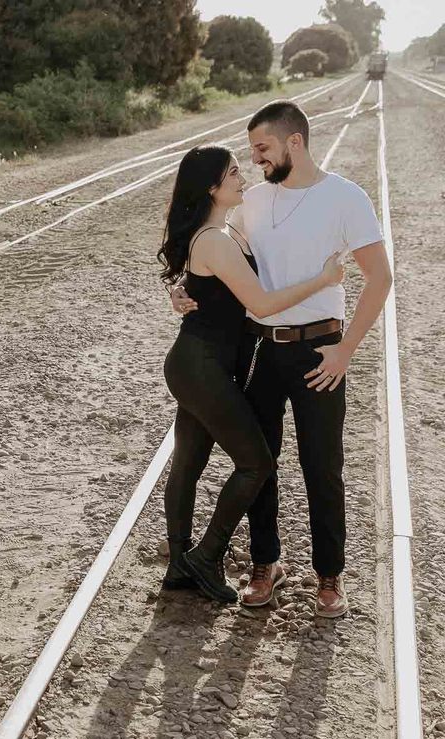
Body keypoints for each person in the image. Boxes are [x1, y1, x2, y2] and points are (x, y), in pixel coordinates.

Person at [172, 101, 392, 616]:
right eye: (250, 152)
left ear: (294, 142)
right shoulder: (253, 203)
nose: (255, 160)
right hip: (260, 349)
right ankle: (264, 565)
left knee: (323, 466)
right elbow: (210, 257)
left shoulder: (345, 197)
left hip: (321, 350)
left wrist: (346, 350)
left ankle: (329, 576)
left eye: (262, 148)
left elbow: (379, 278)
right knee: (260, 463)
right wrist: (180, 290)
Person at [159, 144, 345, 603]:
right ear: (212, 187)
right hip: (200, 365)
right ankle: (204, 556)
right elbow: (260, 304)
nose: (243, 178)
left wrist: (182, 291)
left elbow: (209, 290)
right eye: (233, 173)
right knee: (256, 462)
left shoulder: (222, 233)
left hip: (205, 363)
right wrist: (324, 280)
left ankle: (182, 567)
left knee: (189, 461)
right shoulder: (216, 240)